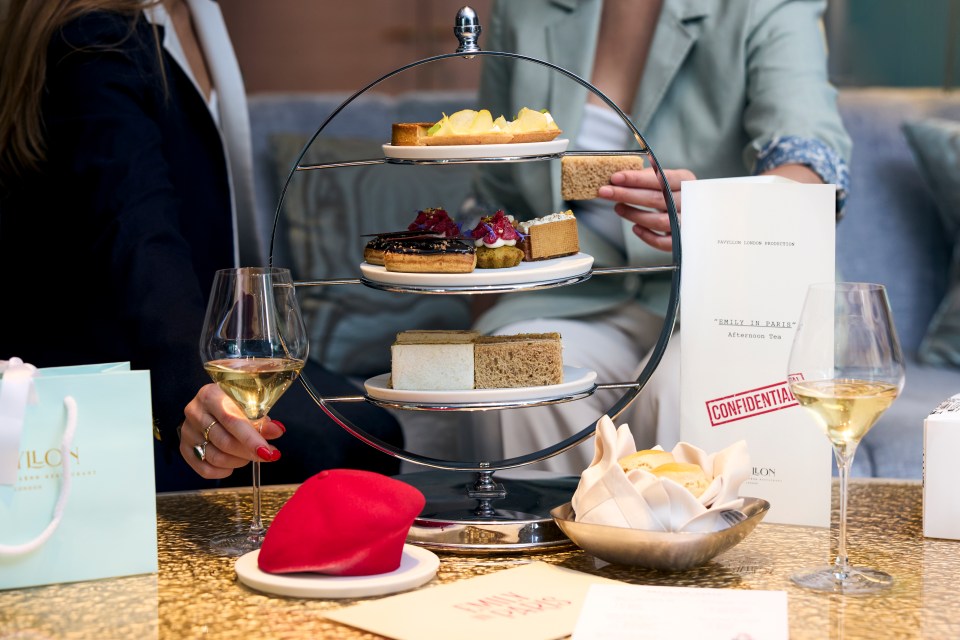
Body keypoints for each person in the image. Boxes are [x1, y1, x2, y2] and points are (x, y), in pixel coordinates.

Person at [0, 0, 404, 491]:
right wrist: (192, 392)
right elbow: (137, 234)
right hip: (118, 383)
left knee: (373, 431)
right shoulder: (94, 38)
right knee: (345, 446)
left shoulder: (195, 15)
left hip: (212, 341)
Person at [466, 0, 852, 473]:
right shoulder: (523, 9)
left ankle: (685, 544)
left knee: (685, 386)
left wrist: (721, 213)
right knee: (511, 374)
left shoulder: (764, 7)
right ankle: (577, 541)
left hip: (729, 297)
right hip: (581, 293)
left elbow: (812, 159)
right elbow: (496, 188)